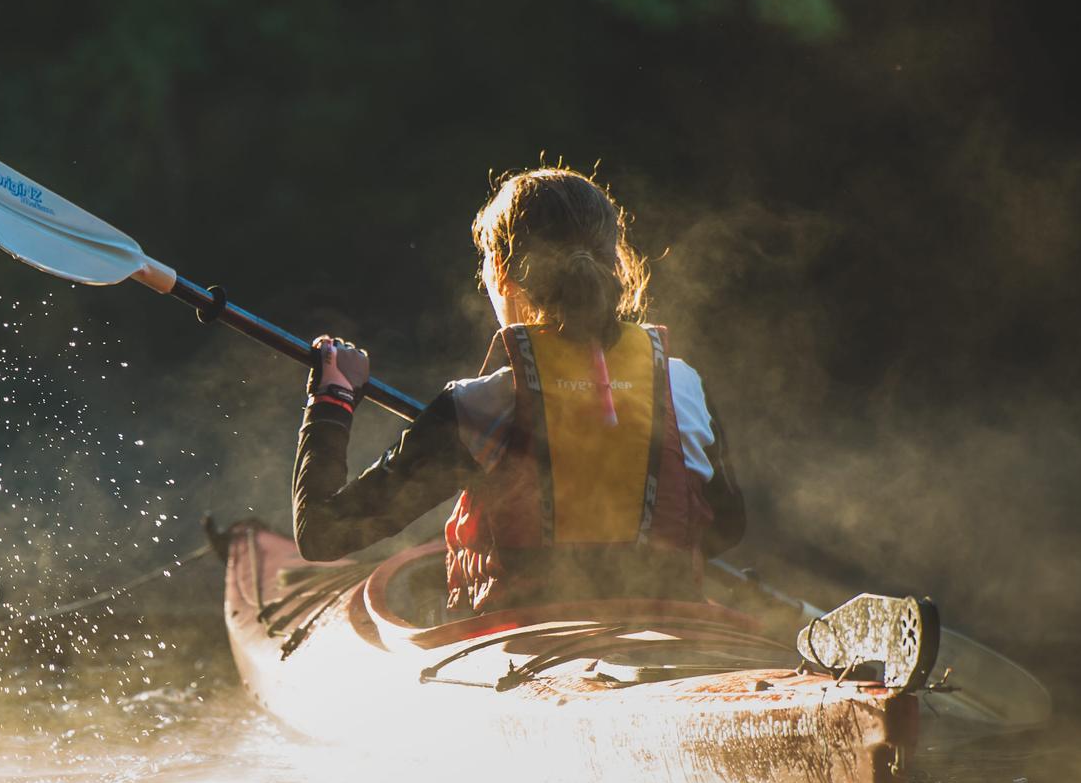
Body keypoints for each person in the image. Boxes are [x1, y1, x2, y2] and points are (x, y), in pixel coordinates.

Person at [291, 166, 747, 610]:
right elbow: (727, 524)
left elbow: (323, 534)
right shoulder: (682, 382)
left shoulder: (481, 404)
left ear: (503, 274)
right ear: (615, 263)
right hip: (671, 634)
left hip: (524, 651)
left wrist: (333, 398)